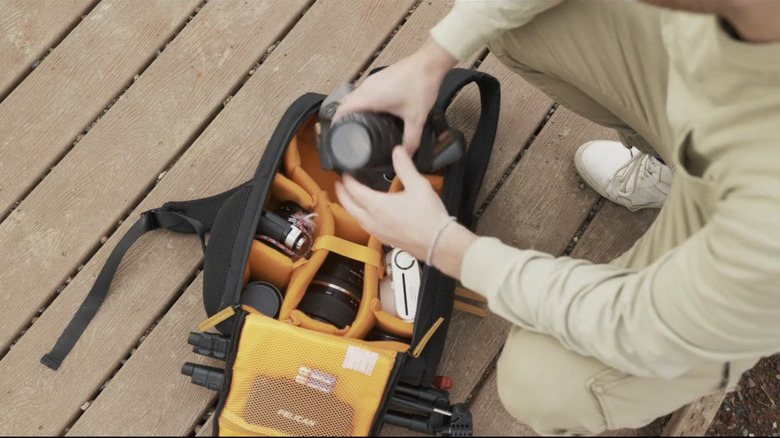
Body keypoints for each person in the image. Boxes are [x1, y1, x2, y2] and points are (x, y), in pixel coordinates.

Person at [332, 0, 780, 435]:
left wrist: (447, 248)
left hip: (743, 257)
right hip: (716, 116)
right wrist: (433, 59)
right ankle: (669, 163)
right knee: (514, 21)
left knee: (541, 383)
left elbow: (641, 326)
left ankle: (695, 197)